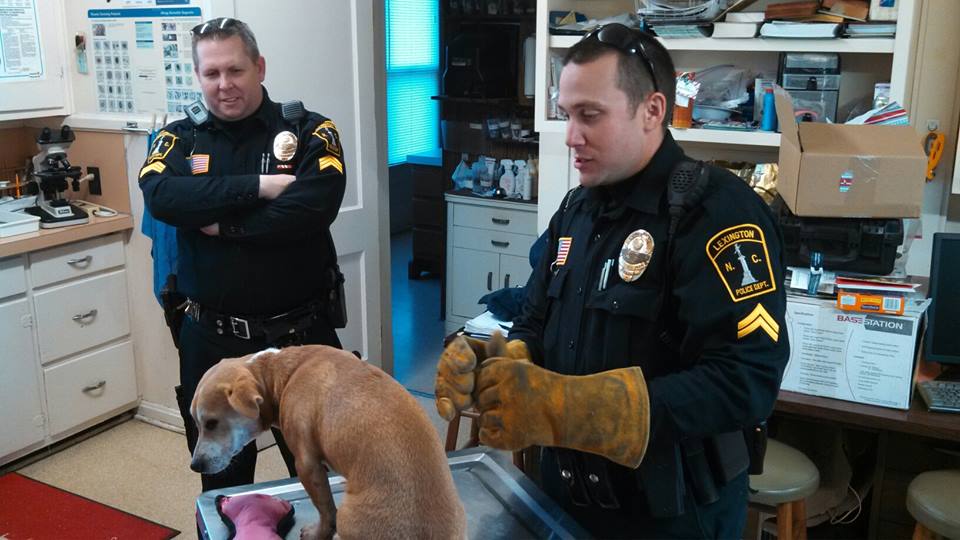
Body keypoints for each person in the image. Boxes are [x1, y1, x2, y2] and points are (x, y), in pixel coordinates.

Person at [435, 23, 789, 538]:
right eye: (566, 114)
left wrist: (566, 408)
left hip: (672, 516)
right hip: (564, 497)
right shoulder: (576, 209)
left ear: (652, 110)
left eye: (590, 115)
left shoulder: (716, 214)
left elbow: (745, 381)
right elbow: (535, 319)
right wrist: (502, 363)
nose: (570, 136)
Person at [139, 17, 347, 493]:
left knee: (325, 480)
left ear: (259, 67)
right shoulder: (180, 138)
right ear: (198, 76)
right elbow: (162, 197)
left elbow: (314, 207)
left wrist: (224, 224)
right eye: (211, 73)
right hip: (211, 341)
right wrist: (259, 187)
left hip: (299, 342)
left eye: (235, 70)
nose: (224, 84)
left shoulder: (310, 130)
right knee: (223, 488)